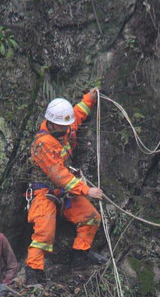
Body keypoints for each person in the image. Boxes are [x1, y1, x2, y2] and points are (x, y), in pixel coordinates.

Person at [25, 87, 108, 286]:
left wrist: (90, 98)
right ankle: (33, 272)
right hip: (44, 193)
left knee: (91, 218)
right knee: (44, 234)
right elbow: (59, 175)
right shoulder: (42, 145)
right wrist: (86, 190)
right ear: (52, 123)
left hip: (65, 193)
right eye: (62, 126)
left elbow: (77, 114)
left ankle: (80, 255)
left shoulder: (65, 129)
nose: (66, 130)